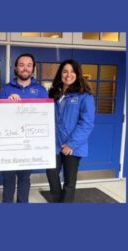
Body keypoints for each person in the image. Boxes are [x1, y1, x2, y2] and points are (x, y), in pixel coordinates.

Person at [0, 53, 48, 203]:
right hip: (8, 142)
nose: (25, 68)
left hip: (29, 143)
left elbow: (44, 117)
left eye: (28, 65)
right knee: (8, 177)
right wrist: (7, 104)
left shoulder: (41, 91)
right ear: (16, 67)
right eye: (21, 65)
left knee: (24, 177)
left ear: (33, 68)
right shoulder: (6, 89)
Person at [46, 59, 95, 203]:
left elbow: (86, 123)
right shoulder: (53, 93)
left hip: (72, 147)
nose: (68, 75)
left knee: (69, 183)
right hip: (53, 145)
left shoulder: (85, 96)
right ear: (60, 74)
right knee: (52, 177)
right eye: (65, 71)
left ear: (78, 74)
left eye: (72, 71)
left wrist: (71, 144)